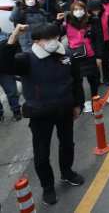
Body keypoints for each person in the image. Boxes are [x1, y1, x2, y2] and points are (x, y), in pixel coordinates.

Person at [0, 23, 85, 206]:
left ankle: (67, 172)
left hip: (64, 109)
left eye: (55, 37)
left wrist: (78, 103)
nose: (54, 42)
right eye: (48, 39)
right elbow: (5, 64)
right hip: (40, 113)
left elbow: (76, 80)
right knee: (41, 154)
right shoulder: (27, 59)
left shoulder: (66, 55)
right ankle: (47, 187)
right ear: (37, 41)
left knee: (67, 143)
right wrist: (14, 35)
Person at [57, 1, 104, 98]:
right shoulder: (67, 24)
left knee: (93, 79)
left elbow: (99, 39)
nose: (78, 11)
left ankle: (95, 99)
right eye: (76, 9)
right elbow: (56, 33)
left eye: (81, 9)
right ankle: (81, 103)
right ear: (72, 11)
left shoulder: (93, 21)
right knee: (77, 82)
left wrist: (99, 56)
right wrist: (58, 21)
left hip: (90, 55)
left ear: (85, 10)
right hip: (75, 56)